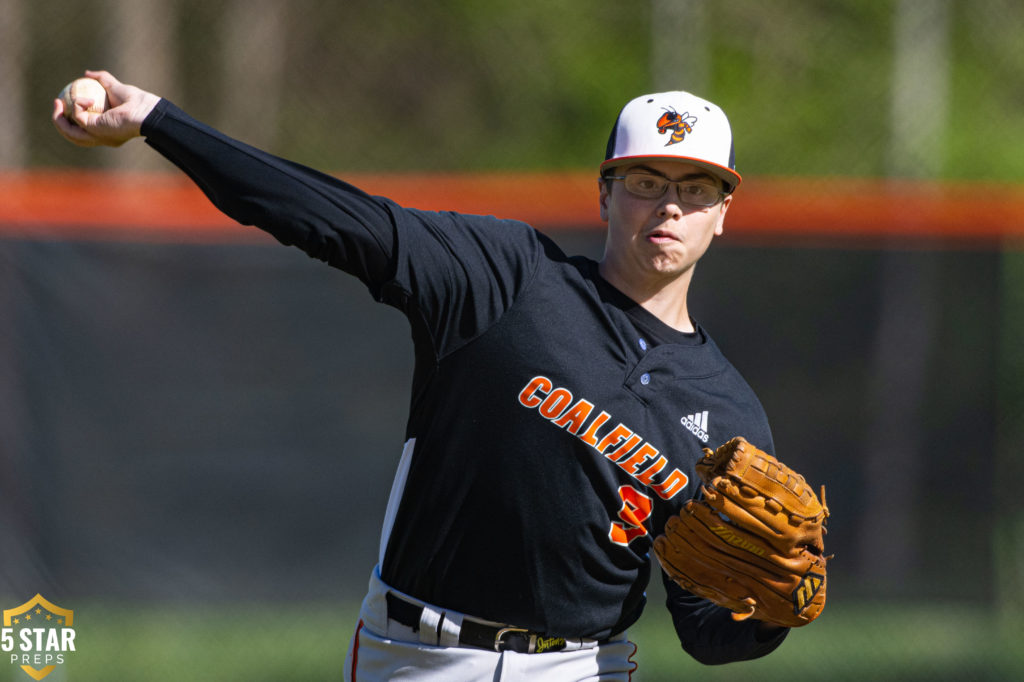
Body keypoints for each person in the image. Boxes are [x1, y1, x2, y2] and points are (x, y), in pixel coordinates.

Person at [54, 71, 789, 681]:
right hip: (413, 658)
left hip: (584, 668)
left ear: (723, 212)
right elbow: (330, 217)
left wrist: (769, 615)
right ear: (604, 192)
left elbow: (705, 629)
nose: (668, 205)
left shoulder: (728, 417)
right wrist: (158, 120)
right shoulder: (506, 279)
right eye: (645, 180)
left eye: (696, 189)